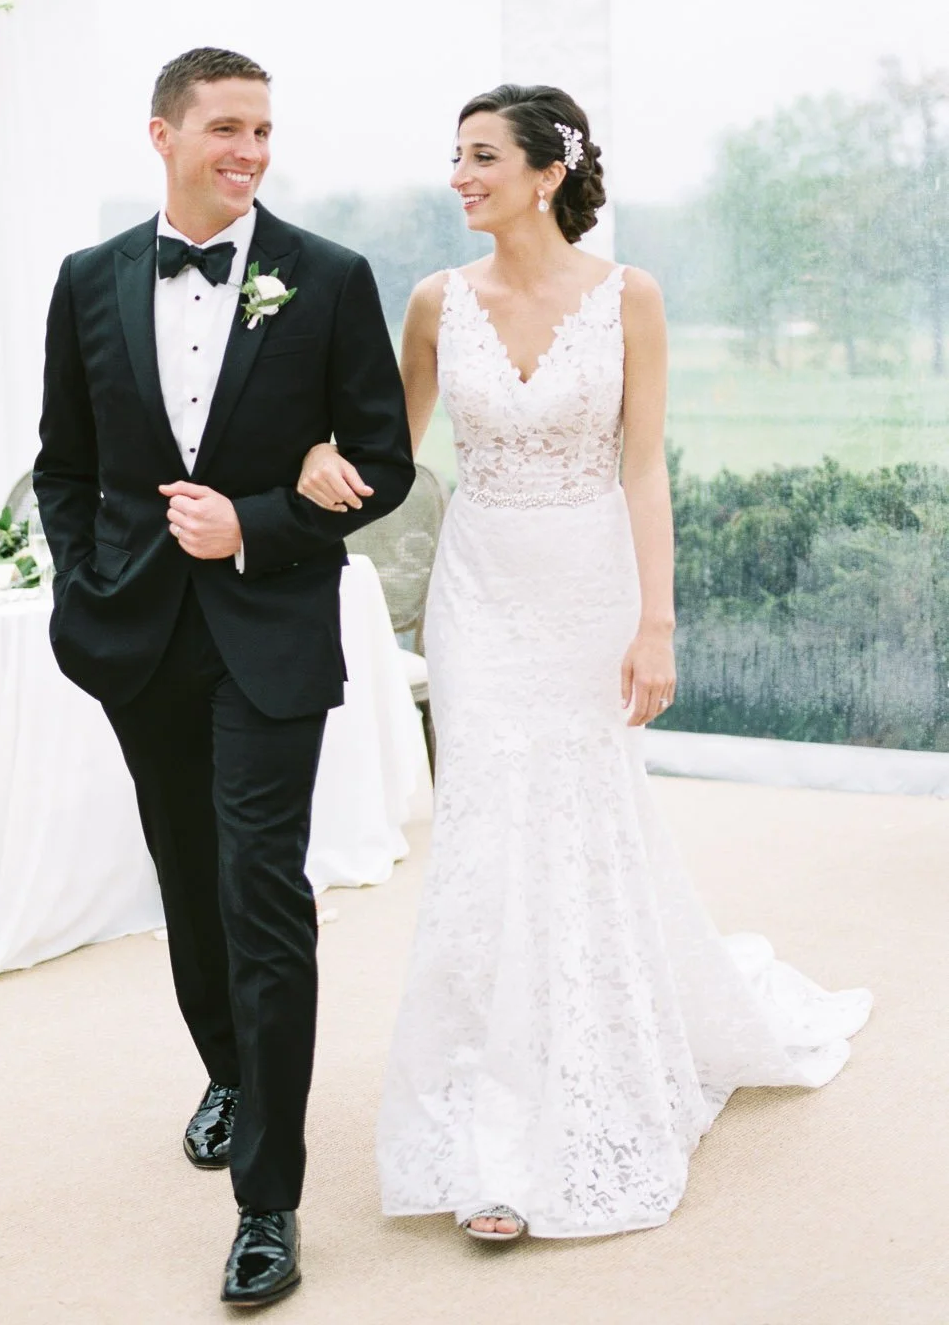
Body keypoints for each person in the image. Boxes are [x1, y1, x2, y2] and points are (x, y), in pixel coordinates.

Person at [297, 82, 871, 1242]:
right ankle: (490, 1119)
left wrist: (655, 622)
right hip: (478, 593)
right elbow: (386, 454)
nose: (458, 176)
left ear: (547, 173)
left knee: (580, 824)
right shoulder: (432, 302)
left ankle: (589, 1078)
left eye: (481, 157)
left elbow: (644, 469)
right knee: (486, 830)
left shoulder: (629, 299)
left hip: (586, 588)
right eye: (454, 157)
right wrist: (312, 451)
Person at [33, 47, 413, 1306]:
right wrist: (85, 584)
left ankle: (269, 1199)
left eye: (263, 130)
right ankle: (230, 1069)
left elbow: (382, 461)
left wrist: (253, 522)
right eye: (226, 128)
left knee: (263, 892)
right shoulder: (87, 282)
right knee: (186, 881)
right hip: (135, 637)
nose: (250, 150)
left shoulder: (329, 277)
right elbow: (62, 464)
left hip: (270, 635)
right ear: (164, 135)